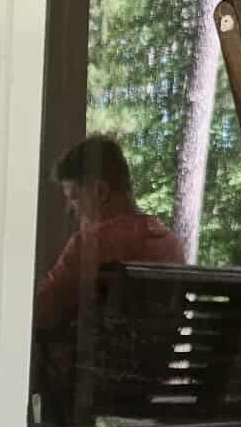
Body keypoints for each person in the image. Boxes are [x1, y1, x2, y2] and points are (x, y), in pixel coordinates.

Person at [33, 134, 185, 332]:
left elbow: (37, 314)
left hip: (89, 362)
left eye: (75, 198)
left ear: (100, 192)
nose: (71, 209)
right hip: (155, 362)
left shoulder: (92, 245)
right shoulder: (170, 244)